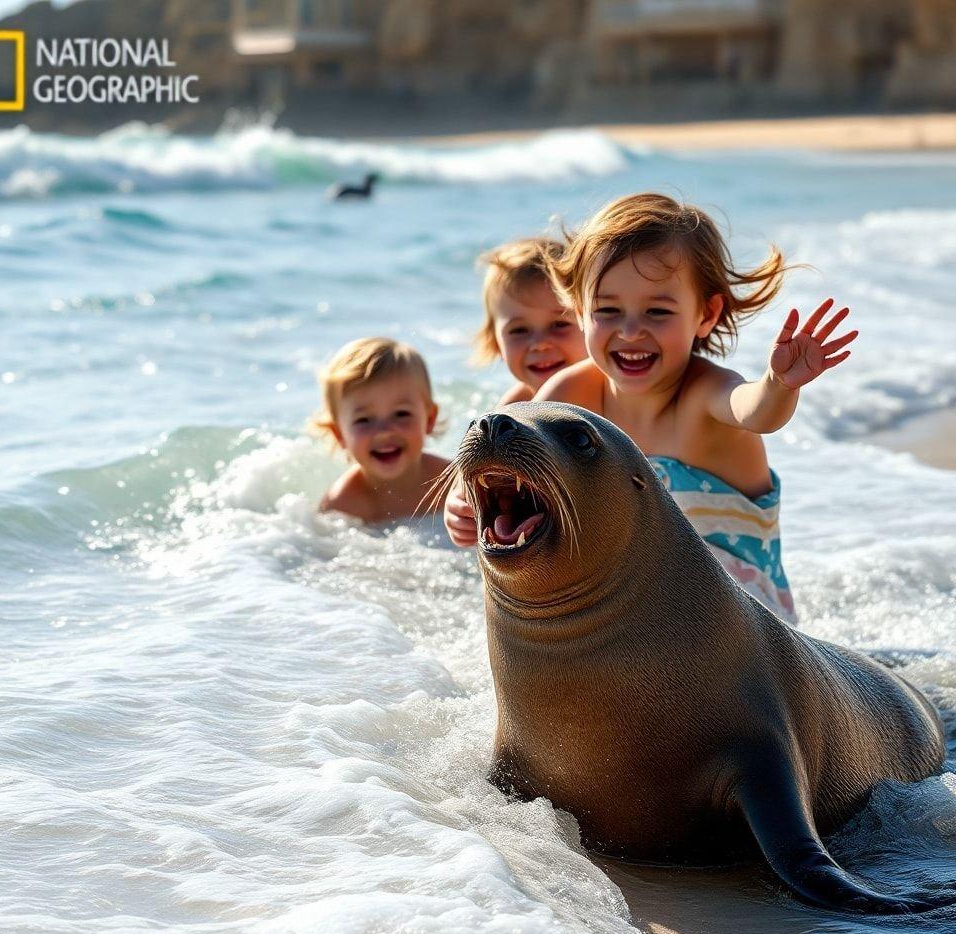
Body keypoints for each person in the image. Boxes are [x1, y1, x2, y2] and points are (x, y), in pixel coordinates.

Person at [447, 193, 860, 622]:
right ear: (579, 309)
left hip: (734, 617)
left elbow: (756, 411)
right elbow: (521, 469)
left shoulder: (704, 391)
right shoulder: (569, 391)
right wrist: (469, 501)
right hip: (623, 599)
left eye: (657, 311)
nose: (629, 331)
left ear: (706, 313)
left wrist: (778, 384)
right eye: (607, 310)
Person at [314, 336, 450, 525]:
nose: (384, 431)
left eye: (401, 414)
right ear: (339, 434)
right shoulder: (341, 506)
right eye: (364, 420)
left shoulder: (453, 484)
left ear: (429, 419)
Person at [472, 237, 587, 406]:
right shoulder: (512, 410)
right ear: (495, 343)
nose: (540, 344)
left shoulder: (611, 397)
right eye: (519, 330)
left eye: (559, 324)